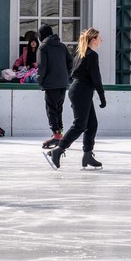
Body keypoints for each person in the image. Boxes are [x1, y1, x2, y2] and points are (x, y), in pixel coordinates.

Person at [44, 28, 107, 170]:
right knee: (80, 125)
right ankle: (58, 150)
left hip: (79, 90)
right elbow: (96, 78)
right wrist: (102, 96)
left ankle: (88, 155)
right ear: (93, 40)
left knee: (92, 124)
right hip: (81, 91)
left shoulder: (81, 54)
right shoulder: (91, 55)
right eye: (99, 38)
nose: (101, 40)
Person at [36, 24, 73, 149]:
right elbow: (70, 62)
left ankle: (56, 134)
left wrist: (40, 80)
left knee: (51, 109)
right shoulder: (62, 46)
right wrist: (66, 76)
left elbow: (42, 66)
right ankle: (59, 133)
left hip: (51, 83)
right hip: (62, 83)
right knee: (58, 108)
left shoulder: (43, 47)